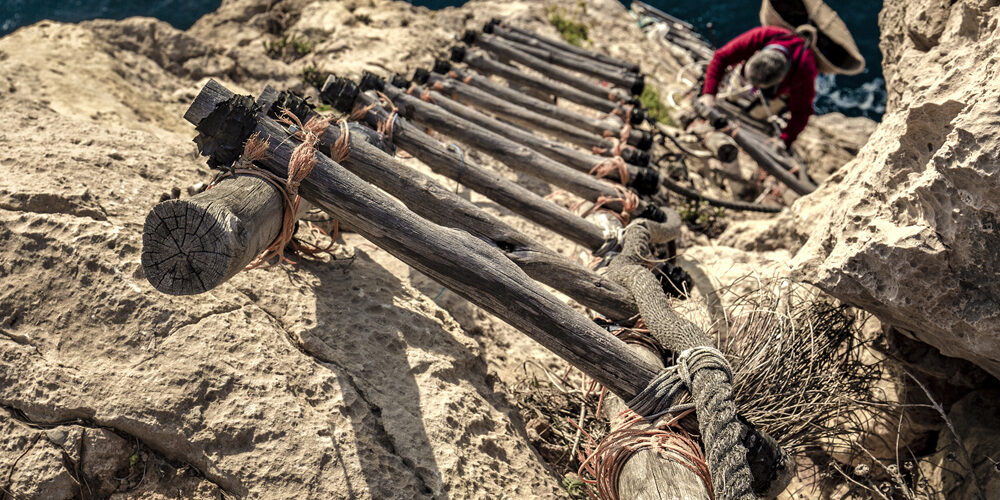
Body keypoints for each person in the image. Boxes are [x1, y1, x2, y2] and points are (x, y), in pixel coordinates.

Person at [698, 25, 818, 149]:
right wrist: (709, 94)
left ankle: (752, 115)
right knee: (734, 92)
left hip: (774, 95)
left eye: (757, 86)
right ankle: (732, 99)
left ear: (781, 80)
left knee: (757, 113)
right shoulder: (763, 35)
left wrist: (785, 140)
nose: (752, 88)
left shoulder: (805, 71)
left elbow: (801, 112)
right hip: (745, 78)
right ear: (757, 52)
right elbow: (721, 57)